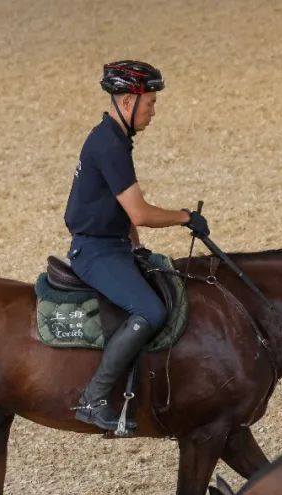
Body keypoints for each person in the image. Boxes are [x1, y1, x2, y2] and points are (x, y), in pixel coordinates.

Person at [64, 60, 209, 432]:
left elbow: (123, 212)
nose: (153, 111)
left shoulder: (115, 138)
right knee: (151, 310)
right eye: (150, 103)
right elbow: (140, 212)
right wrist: (185, 217)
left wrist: (137, 248)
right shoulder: (109, 145)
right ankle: (94, 398)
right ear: (128, 102)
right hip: (95, 251)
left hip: (113, 245)